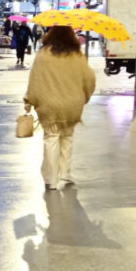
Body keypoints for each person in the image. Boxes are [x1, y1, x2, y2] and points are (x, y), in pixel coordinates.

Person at [23, 26, 96, 191]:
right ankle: (66, 174)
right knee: (68, 137)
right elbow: (89, 78)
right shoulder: (77, 55)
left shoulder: (43, 54)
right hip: (72, 105)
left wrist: (29, 100)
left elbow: (35, 79)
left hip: (49, 104)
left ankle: (51, 179)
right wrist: (85, 96)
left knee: (51, 137)